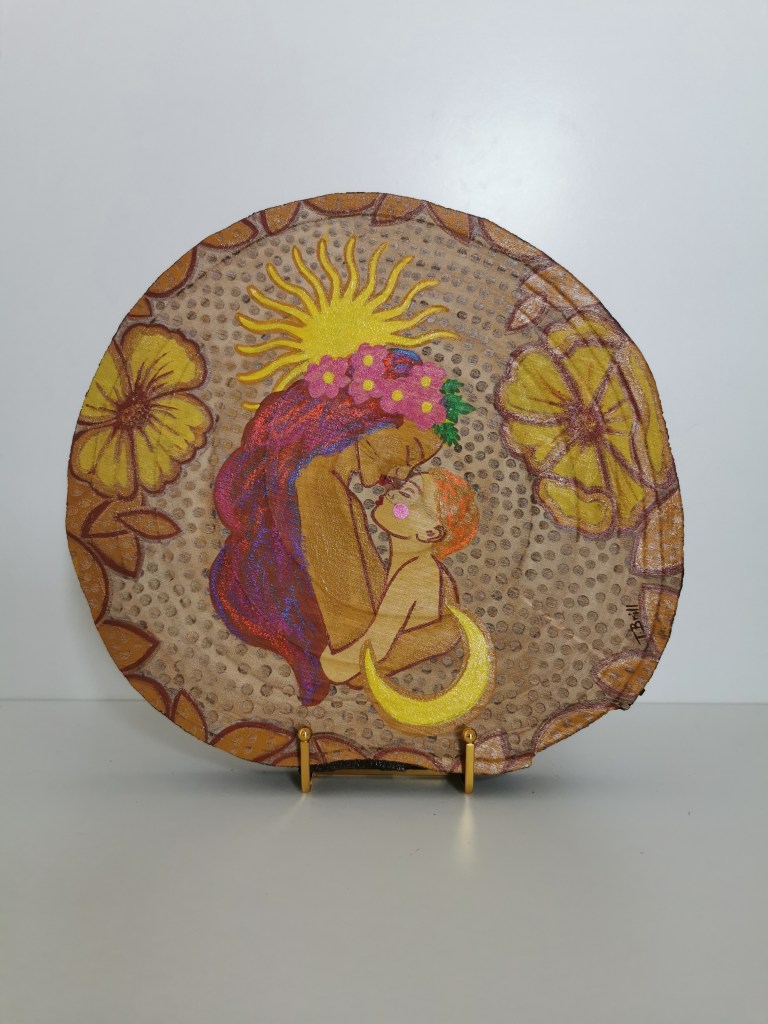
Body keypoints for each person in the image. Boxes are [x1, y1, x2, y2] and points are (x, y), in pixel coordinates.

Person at [210, 349, 462, 707]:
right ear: (373, 420)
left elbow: (371, 615)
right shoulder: (321, 496)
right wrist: (444, 633)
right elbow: (354, 662)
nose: (403, 473)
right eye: (411, 454)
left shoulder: (305, 481)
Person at [320, 468, 479, 683]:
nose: (391, 493)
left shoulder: (417, 575)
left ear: (430, 532)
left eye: (406, 494)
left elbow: (373, 648)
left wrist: (318, 665)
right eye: (401, 488)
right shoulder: (408, 566)